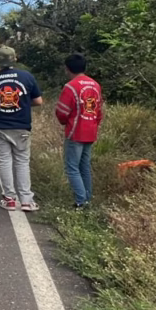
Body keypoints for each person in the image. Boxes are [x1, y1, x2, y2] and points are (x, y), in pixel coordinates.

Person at [0, 46, 43, 211]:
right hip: (21, 127)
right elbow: (38, 101)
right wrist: (24, 103)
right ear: (15, 59)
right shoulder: (26, 76)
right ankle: (26, 200)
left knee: (4, 161)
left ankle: (10, 199)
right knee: (22, 161)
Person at [54, 53, 103, 208]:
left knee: (72, 168)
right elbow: (99, 111)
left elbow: (62, 112)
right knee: (85, 167)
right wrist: (94, 124)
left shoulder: (70, 86)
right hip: (91, 131)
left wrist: (64, 123)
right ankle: (87, 199)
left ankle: (81, 202)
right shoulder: (95, 85)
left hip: (75, 132)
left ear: (67, 69)